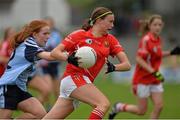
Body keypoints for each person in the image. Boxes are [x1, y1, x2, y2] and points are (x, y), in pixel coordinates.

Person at [42, 7, 131, 119]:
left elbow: (127, 65)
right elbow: (55, 52)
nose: (112, 25)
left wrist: (114, 67)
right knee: (103, 104)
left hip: (81, 82)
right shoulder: (79, 35)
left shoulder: (111, 40)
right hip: (73, 78)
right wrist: (69, 58)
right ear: (99, 20)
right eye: (110, 21)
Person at [108, 14, 180, 119]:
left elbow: (156, 55)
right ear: (150, 26)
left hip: (154, 78)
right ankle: (119, 107)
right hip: (143, 79)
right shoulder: (146, 40)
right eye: (155, 24)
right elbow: (139, 59)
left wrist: (171, 52)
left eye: (160, 25)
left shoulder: (158, 39)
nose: (158, 27)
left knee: (159, 106)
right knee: (141, 111)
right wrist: (153, 71)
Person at [0, 20, 55, 119]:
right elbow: (48, 56)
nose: (48, 36)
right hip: (8, 86)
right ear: (34, 34)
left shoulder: (31, 43)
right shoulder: (26, 45)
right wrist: (67, 56)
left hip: (19, 87)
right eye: (45, 33)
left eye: (49, 33)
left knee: (40, 114)